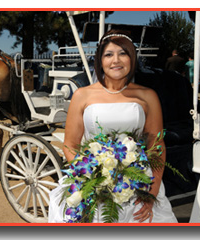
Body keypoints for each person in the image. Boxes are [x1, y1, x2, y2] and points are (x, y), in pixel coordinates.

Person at [48, 29, 178, 223]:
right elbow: (70, 145)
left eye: (123, 53)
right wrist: (91, 178)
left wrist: (151, 194)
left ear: (132, 59)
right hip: (93, 184)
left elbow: (156, 146)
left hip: (138, 183)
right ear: (100, 60)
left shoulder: (147, 96)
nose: (115, 60)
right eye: (109, 54)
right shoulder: (82, 95)